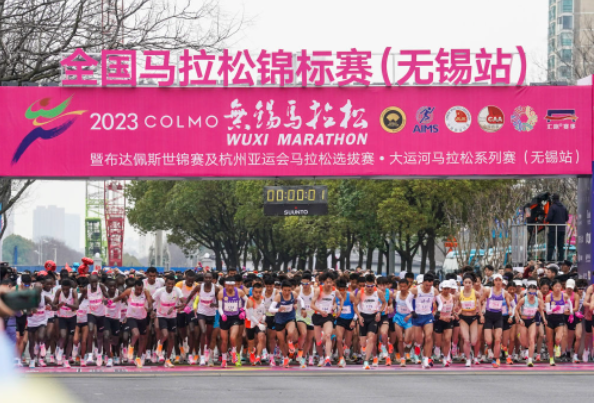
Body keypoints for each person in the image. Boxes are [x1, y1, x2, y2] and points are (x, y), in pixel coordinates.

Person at [113, 279, 153, 367]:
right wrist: (110, 301)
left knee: (142, 339)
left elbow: (150, 303)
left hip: (142, 318)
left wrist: (150, 309)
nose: (139, 291)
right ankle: (131, 347)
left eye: (140, 289)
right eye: (137, 289)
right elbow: (119, 297)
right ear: (134, 287)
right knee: (136, 334)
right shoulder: (129, 291)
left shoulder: (145, 292)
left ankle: (138, 358)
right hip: (131, 317)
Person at [478, 274, 514, 368]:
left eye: (499, 280)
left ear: (502, 282)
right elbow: (479, 302)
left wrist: (510, 310)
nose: (498, 282)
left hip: (498, 316)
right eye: (496, 280)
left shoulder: (504, 293)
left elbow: (509, 304)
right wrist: (481, 315)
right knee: (489, 340)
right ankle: (489, 348)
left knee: (498, 339)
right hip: (488, 316)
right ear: (494, 281)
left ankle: (495, 359)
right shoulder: (488, 291)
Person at [185, 271, 220, 366]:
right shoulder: (199, 287)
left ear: (212, 279)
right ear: (204, 279)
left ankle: (207, 352)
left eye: (209, 278)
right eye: (206, 278)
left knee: (209, 335)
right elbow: (190, 296)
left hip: (211, 314)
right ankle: (202, 357)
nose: (208, 279)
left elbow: (219, 302)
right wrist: (184, 305)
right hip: (201, 313)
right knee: (203, 331)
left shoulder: (216, 288)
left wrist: (214, 304)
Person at [352, 273, 386, 370]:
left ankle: (366, 361)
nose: (370, 288)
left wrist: (379, 312)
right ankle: (364, 350)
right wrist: (359, 316)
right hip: (363, 316)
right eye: (368, 286)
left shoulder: (378, 292)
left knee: (371, 338)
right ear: (365, 284)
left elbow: (384, 303)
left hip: (373, 317)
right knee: (362, 343)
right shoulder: (360, 293)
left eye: (372, 286)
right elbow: (355, 306)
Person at [311, 272, 343, 367]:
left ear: (333, 282)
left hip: (328, 316)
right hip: (318, 315)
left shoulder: (335, 290)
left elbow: (340, 299)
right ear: (323, 282)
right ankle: (321, 358)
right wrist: (320, 311)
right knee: (318, 342)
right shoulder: (318, 290)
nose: (329, 284)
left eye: (330, 282)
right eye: (327, 282)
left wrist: (339, 308)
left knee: (328, 335)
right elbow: (312, 305)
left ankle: (328, 358)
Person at [405, 273, 436, 369]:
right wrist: (412, 311)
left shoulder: (434, 290)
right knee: (419, 340)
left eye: (430, 285)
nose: (428, 287)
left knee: (428, 337)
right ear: (423, 282)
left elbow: (439, 301)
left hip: (428, 315)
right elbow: (407, 301)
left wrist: (438, 311)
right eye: (426, 285)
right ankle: (417, 346)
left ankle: (426, 359)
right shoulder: (415, 289)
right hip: (417, 316)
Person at [268, 280, 302, 368]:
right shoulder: (278, 296)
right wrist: (278, 309)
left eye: (289, 290)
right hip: (279, 320)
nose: (287, 292)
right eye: (285, 290)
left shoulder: (293, 294)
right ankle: (285, 358)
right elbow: (270, 309)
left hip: (290, 317)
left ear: (291, 289)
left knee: (290, 332)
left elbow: (301, 300)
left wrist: (303, 308)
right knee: (281, 341)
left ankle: (290, 342)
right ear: (282, 289)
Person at [153, 275, 185, 368]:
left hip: (173, 316)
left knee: (171, 338)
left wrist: (175, 307)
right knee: (165, 334)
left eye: (172, 284)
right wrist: (152, 310)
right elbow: (151, 300)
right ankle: (160, 345)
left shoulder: (177, 290)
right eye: (169, 283)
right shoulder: (160, 291)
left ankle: (167, 359)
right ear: (165, 283)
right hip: (162, 315)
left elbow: (184, 303)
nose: (170, 285)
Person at [217, 275, 247, 368]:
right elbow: (219, 307)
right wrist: (222, 314)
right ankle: (224, 360)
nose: (230, 288)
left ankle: (233, 351)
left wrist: (243, 310)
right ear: (225, 285)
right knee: (224, 340)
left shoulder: (239, 292)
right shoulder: (221, 293)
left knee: (233, 337)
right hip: (225, 318)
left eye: (232, 286)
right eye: (228, 286)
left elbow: (247, 300)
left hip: (235, 317)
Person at [515, 280, 546, 367]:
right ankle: (520, 337)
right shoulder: (523, 299)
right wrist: (519, 319)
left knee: (532, 340)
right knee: (524, 343)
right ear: (527, 292)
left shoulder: (538, 300)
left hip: (532, 320)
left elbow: (541, 310)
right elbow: (516, 310)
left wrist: (544, 319)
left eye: (534, 293)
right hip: (523, 321)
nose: (532, 295)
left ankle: (530, 359)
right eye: (530, 293)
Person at [52, 278, 79, 368]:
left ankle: (66, 360)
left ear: (70, 288)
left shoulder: (73, 292)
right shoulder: (59, 292)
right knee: (63, 336)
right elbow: (53, 307)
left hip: (72, 317)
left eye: (67, 289)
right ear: (61, 287)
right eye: (64, 289)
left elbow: (76, 306)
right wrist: (58, 305)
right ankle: (60, 350)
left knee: (70, 339)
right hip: (62, 317)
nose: (65, 291)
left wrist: (66, 304)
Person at [545, 279, 568, 366]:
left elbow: (569, 304)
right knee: (550, 341)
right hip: (550, 319)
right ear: (552, 287)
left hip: (560, 318)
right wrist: (553, 309)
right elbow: (547, 311)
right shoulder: (548, 297)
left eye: (559, 286)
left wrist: (570, 312)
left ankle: (557, 345)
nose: (558, 288)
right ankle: (551, 358)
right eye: (556, 286)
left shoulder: (564, 295)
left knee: (558, 338)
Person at [393, 278, 413, 367]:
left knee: (406, 339)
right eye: (400, 286)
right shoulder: (396, 294)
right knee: (400, 339)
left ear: (408, 286)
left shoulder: (411, 295)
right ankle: (402, 359)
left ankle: (407, 347)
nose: (402, 288)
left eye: (404, 286)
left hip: (408, 318)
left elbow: (416, 307)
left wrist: (410, 315)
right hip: (398, 317)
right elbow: (388, 301)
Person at [245, 282, 267, 365]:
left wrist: (264, 317)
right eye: (256, 292)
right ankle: (252, 353)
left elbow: (263, 310)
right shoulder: (250, 301)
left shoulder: (263, 298)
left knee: (261, 337)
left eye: (260, 292)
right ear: (252, 292)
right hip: (250, 323)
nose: (258, 294)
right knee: (251, 342)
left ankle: (258, 357)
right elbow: (250, 316)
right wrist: (258, 324)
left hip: (259, 321)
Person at [546, 193, 569, 262]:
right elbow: (567, 218)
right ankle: (561, 260)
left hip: (553, 229)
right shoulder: (564, 207)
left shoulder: (552, 207)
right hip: (562, 229)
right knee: (561, 246)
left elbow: (549, 218)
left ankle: (548, 260)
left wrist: (545, 219)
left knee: (551, 245)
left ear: (553, 199)